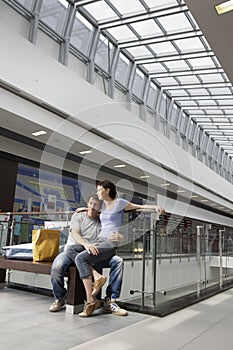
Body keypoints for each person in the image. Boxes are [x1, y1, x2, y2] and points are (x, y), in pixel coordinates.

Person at [72, 179, 165, 317]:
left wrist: (155, 207)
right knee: (73, 249)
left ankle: (101, 300)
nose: (97, 192)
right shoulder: (102, 205)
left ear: (107, 190)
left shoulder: (119, 203)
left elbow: (138, 207)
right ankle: (97, 280)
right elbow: (95, 209)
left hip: (109, 242)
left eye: (99, 190)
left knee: (81, 258)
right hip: (99, 241)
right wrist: (84, 209)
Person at [50, 194, 127, 316]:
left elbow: (115, 234)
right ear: (87, 204)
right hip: (72, 251)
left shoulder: (101, 221)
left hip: (92, 254)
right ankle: (60, 298)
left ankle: (110, 300)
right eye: (90, 204)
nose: (92, 207)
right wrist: (86, 244)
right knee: (57, 267)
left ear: (100, 209)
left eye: (95, 205)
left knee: (118, 261)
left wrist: (120, 238)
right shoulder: (78, 216)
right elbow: (75, 233)